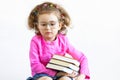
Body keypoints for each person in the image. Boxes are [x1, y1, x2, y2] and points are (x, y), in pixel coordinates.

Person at [27, 1, 90, 80]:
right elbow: (35, 64)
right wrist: (55, 74)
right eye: (43, 24)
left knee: (65, 79)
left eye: (52, 24)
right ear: (37, 26)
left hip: (62, 74)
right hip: (42, 74)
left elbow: (82, 58)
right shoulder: (36, 41)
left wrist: (82, 75)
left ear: (59, 25)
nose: (48, 28)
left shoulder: (63, 41)